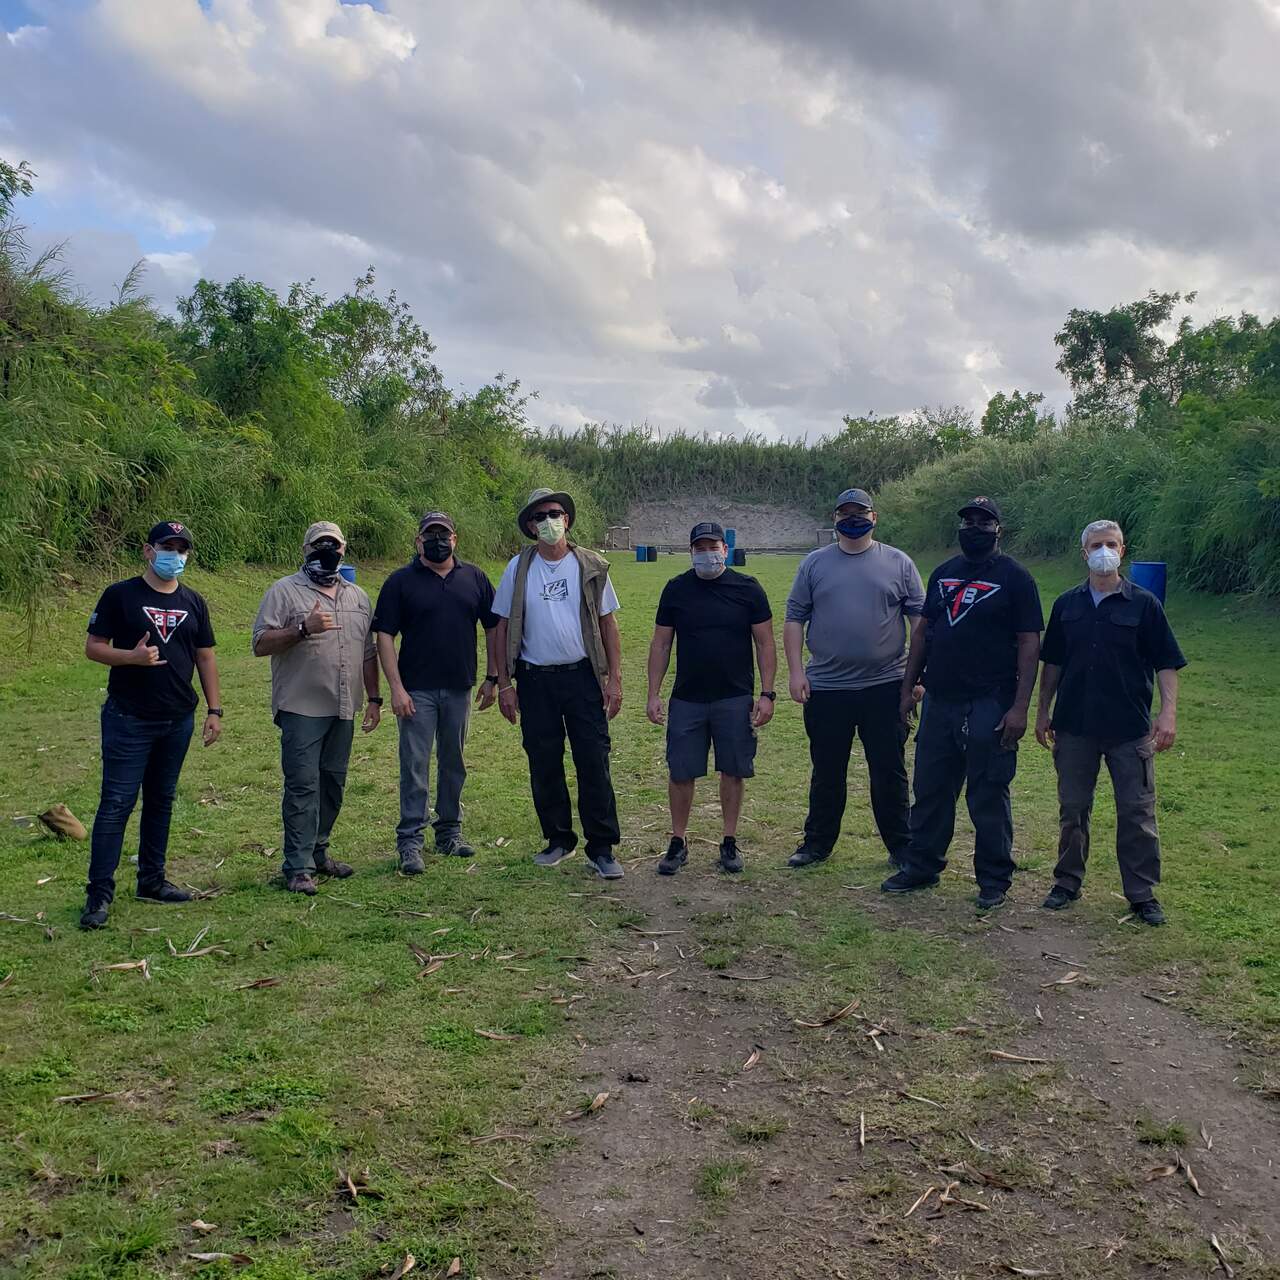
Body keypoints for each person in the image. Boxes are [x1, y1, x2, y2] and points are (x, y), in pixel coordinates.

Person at [881, 497, 1043, 909]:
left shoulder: (1016, 578)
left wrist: (1020, 706)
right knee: (931, 788)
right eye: (968, 521)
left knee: (987, 792)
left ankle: (993, 880)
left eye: (983, 522)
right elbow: (922, 634)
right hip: (940, 698)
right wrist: (907, 686)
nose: (974, 528)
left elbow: (1029, 642)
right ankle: (922, 865)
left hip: (990, 700)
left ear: (998, 530)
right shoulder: (944, 574)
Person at [1035, 520, 1186, 925]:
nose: (1105, 551)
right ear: (1084, 553)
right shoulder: (1067, 604)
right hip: (1074, 726)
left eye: (1112, 544)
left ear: (1123, 551)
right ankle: (1067, 882)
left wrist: (1167, 713)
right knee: (1073, 809)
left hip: (1129, 728)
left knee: (1137, 812)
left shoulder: (1144, 604)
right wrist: (1042, 709)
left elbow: (1167, 662)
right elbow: (1053, 663)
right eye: (1097, 545)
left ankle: (1141, 893)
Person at [79, 521, 222, 930]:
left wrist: (215, 710)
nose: (174, 554)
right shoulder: (120, 596)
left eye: (182, 548)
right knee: (116, 805)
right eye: (167, 546)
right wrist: (131, 658)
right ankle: (99, 894)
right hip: (129, 718)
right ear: (147, 550)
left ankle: (152, 881)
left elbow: (206, 656)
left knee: (161, 800)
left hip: (178, 718)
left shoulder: (194, 601)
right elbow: (94, 648)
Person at [784, 488, 925, 869]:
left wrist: (917, 673)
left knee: (889, 769)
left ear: (874, 517)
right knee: (827, 769)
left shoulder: (898, 562)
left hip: (886, 686)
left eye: (859, 513)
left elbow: (920, 622)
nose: (852, 519)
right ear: (835, 518)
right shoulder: (814, 564)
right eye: (845, 513)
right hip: (827, 687)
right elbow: (795, 618)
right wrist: (797, 672)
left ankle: (901, 845)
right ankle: (817, 844)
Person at [491, 488, 624, 879]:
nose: (548, 521)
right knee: (544, 762)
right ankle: (558, 840)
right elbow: (500, 627)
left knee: (593, 761)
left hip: (582, 678)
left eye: (555, 513)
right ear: (531, 527)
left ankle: (601, 848)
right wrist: (504, 683)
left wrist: (613, 679)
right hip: (535, 680)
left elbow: (607, 623)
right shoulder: (518, 568)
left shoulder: (590, 565)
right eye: (539, 516)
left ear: (566, 519)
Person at [252, 522, 381, 895]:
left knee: (332, 784)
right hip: (301, 706)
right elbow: (260, 643)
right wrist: (302, 629)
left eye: (334, 545)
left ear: (344, 550)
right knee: (302, 785)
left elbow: (368, 651)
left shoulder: (357, 596)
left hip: (345, 705)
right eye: (319, 545)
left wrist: (373, 699)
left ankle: (318, 851)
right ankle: (297, 866)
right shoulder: (284, 591)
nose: (327, 551)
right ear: (305, 550)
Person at [646, 521, 776, 875]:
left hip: (734, 698)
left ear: (725, 549)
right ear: (690, 552)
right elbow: (661, 643)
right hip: (687, 698)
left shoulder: (748, 589)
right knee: (681, 771)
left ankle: (729, 841)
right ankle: (678, 840)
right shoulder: (676, 590)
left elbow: (765, 642)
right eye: (699, 547)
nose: (707, 553)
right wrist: (653, 694)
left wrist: (766, 694)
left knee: (733, 770)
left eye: (712, 546)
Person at [373, 512, 499, 872]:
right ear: (418, 541)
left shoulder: (473, 577)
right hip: (416, 691)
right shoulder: (400, 582)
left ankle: (449, 833)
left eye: (444, 534)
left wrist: (492, 677)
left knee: (453, 763)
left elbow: (493, 627)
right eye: (431, 535)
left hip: (460, 687)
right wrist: (396, 688)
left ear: (455, 539)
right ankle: (410, 841)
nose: (438, 540)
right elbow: (384, 636)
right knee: (414, 765)